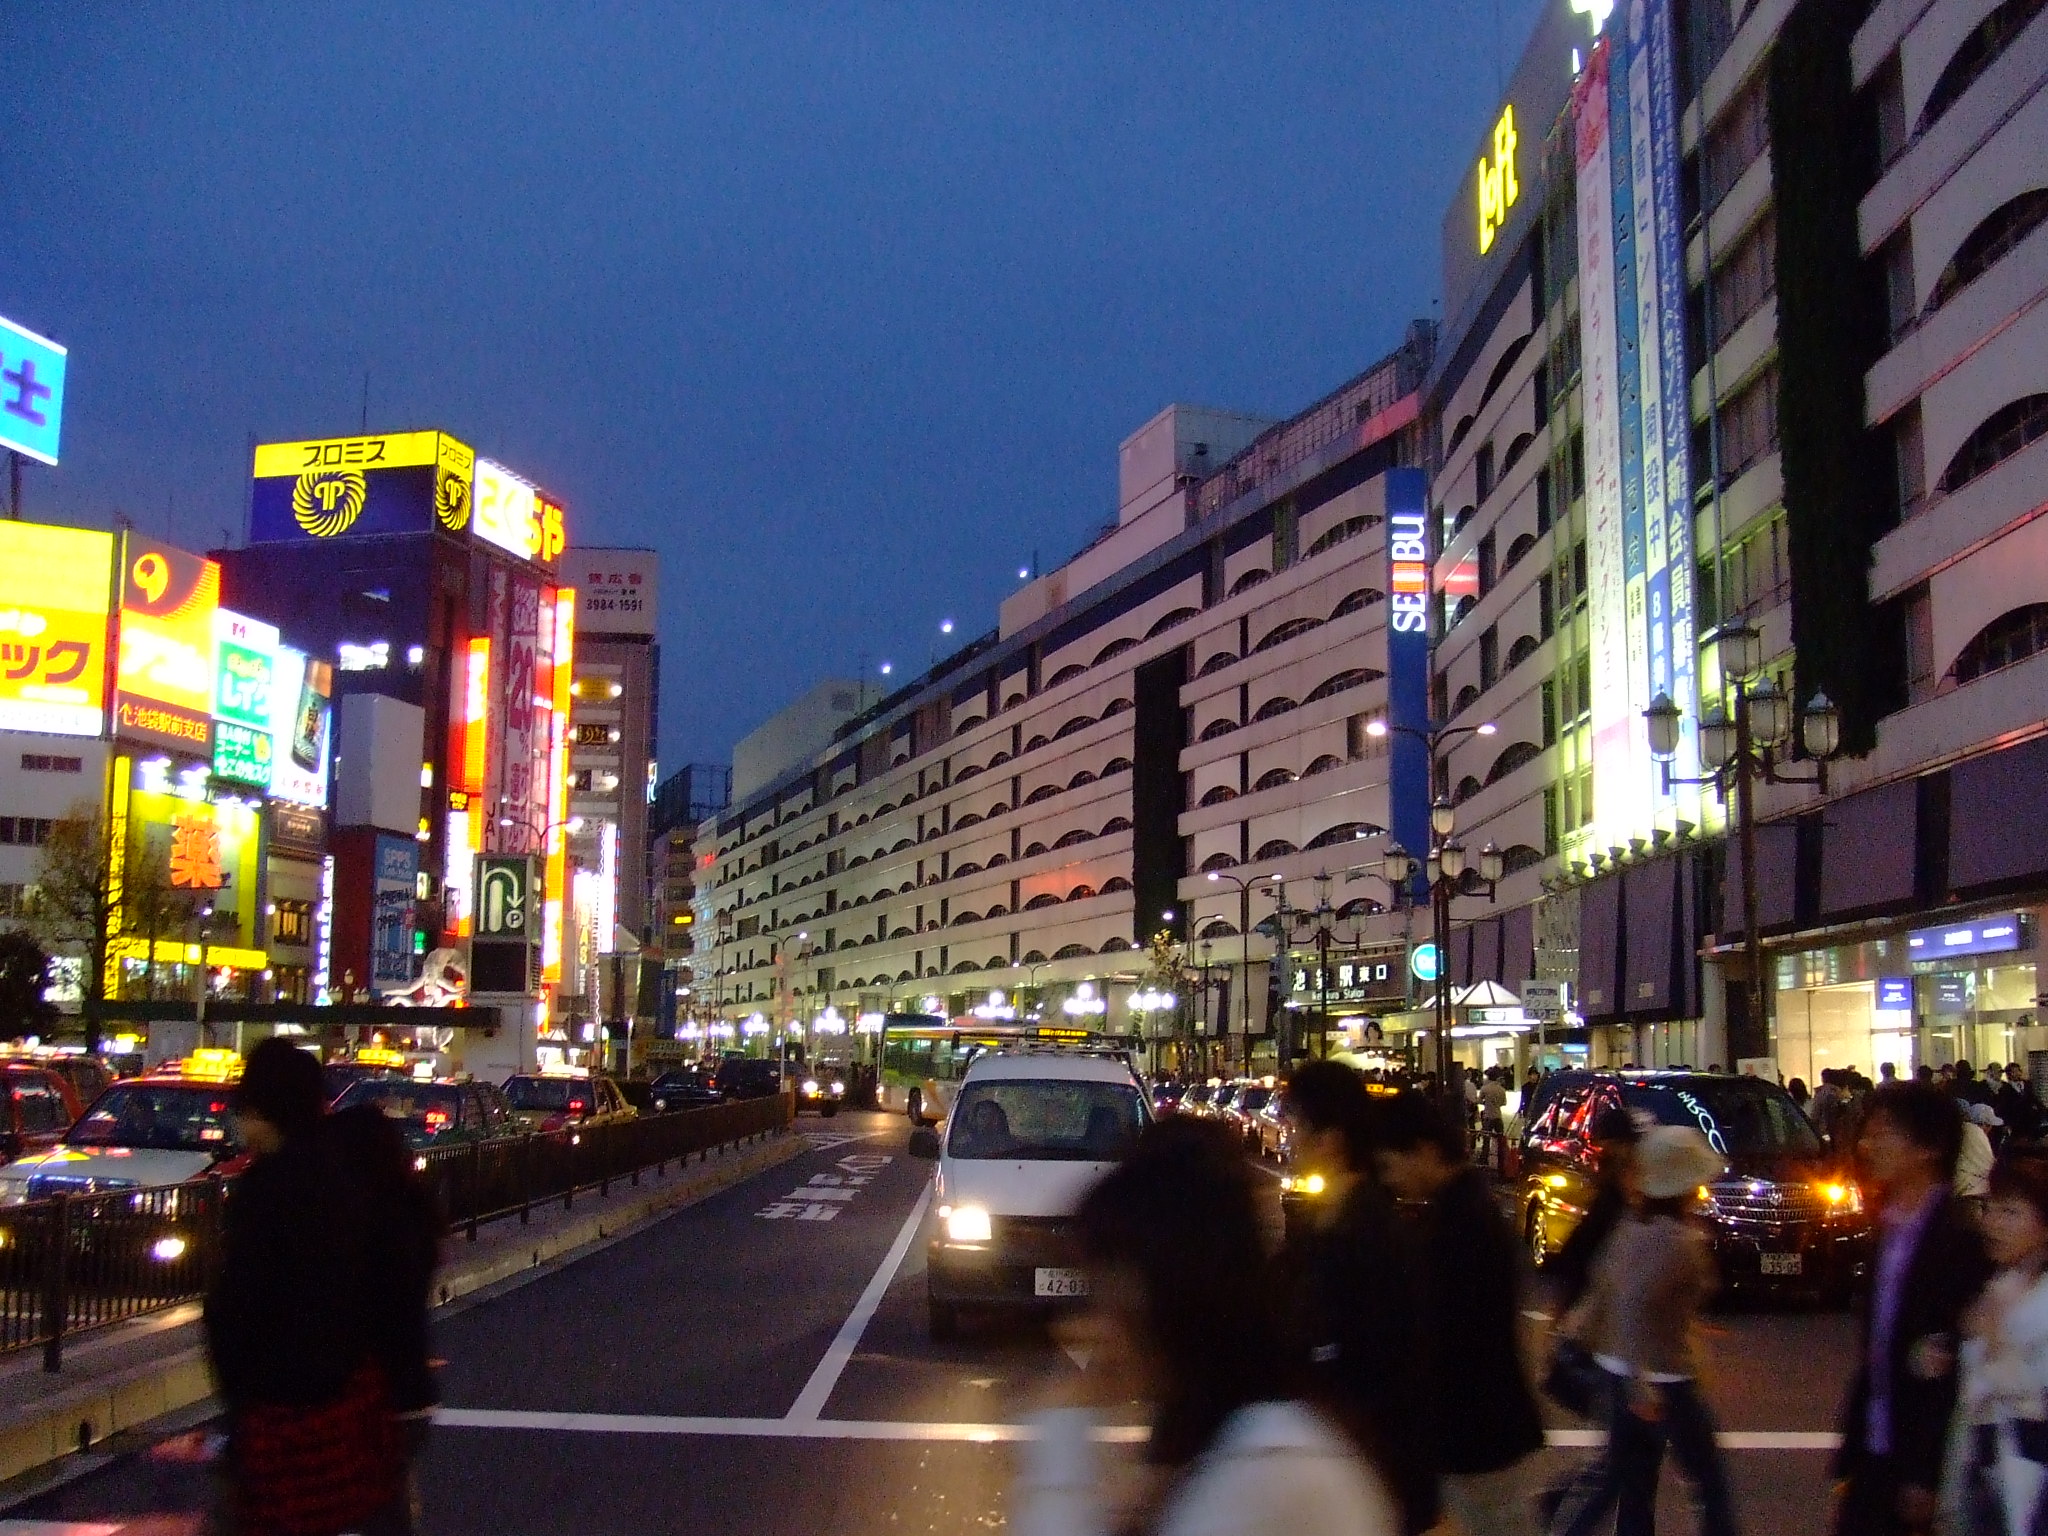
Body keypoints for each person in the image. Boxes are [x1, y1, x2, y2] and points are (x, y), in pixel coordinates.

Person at [1013, 1118, 1397, 1536]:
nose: (1088, 1327)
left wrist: (1064, 1434)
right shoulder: (1219, 1442)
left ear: (1165, 1298)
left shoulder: (1270, 1465)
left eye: (1107, 1295)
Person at [205, 1039, 402, 1536]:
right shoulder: (342, 1176)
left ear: (264, 1111)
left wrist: (239, 1395)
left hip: (277, 1404)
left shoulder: (263, 1192)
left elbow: (235, 1305)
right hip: (345, 1394)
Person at [1274, 1061, 1440, 1536]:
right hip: (1334, 1482)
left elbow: (1390, 1375)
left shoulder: (1370, 1238)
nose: (1289, 1140)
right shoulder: (1331, 1224)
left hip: (1363, 1487)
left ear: (1330, 1139)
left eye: (1297, 1127)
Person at [1551, 1126, 1737, 1536]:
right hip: (1664, 1380)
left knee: (1624, 1481)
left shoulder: (1630, 1228)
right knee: (1709, 1487)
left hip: (1619, 1372)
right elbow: (1637, 1304)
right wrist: (1641, 1380)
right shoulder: (1680, 1240)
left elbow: (1606, 1290)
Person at [1376, 1091, 1546, 1536]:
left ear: (1424, 1151)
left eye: (1393, 1164)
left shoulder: (1460, 1226)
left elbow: (1453, 1339)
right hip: (1483, 1431)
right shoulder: (1468, 1210)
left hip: (1473, 1436)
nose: (1391, 1179)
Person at [1835, 1081, 1994, 1536]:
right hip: (1873, 1447)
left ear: (1929, 1147)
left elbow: (1952, 1366)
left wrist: (1926, 1473)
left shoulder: (1959, 1242)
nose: (1868, 1144)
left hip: (1919, 1461)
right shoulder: (1887, 1226)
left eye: (1885, 1133)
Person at [327, 1103, 444, 1535]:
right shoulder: (412, 1211)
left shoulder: (362, 1222)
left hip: (368, 1391)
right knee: (387, 1507)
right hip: (408, 1389)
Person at [1943, 1147, 2048, 1536]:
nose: (1993, 1224)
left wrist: (1995, 1347)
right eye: (1990, 1209)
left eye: (2011, 1213)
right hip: (1991, 1483)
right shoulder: (1998, 1290)